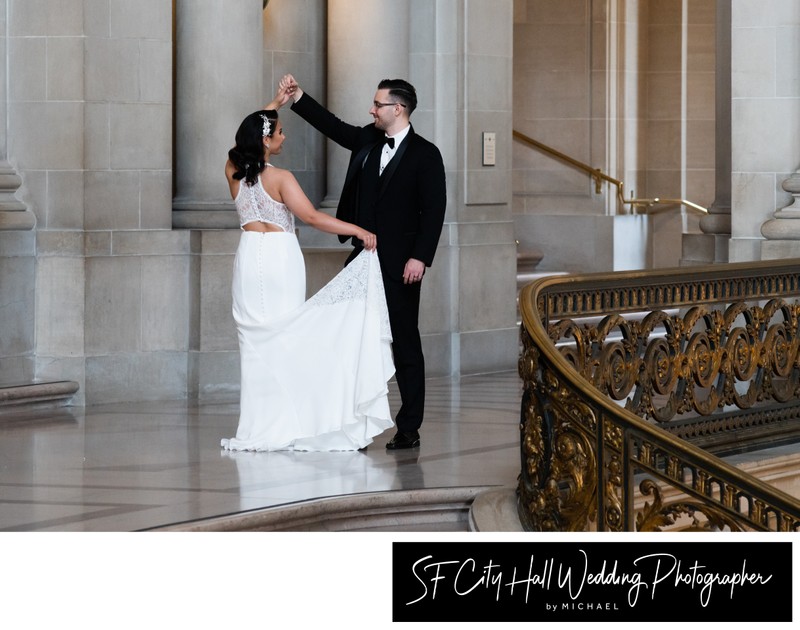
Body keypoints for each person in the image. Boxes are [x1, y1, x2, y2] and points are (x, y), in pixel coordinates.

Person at [220, 86, 395, 452]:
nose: (283, 136)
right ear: (266, 141)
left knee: (255, 343)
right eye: (279, 132)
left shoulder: (233, 169)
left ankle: (257, 426)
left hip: (250, 259)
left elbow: (252, 130)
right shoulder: (281, 178)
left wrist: (275, 106)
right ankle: (291, 424)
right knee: (287, 338)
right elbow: (313, 218)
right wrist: (358, 229)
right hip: (281, 260)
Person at [277, 74, 447, 450]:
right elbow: (333, 126)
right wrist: (299, 97)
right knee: (349, 338)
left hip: (403, 265)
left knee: (404, 343)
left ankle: (409, 427)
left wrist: (420, 257)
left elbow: (433, 211)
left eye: (378, 104)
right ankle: (352, 424)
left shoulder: (426, 154)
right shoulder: (368, 140)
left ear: (398, 109)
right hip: (361, 259)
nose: (372, 109)